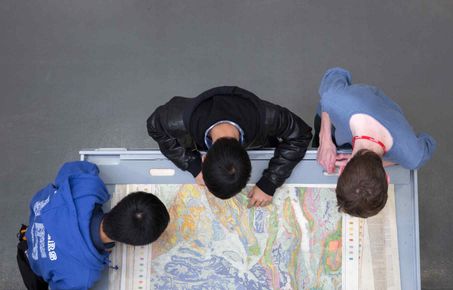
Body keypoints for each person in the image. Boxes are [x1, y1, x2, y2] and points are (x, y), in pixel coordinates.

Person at [147, 86, 312, 207]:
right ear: (203, 158)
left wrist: (270, 181)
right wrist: (191, 163)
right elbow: (155, 127)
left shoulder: (269, 117)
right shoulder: (176, 118)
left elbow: (301, 134)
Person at [17, 161, 170, 290]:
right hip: (31, 261)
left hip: (36, 219)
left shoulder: (88, 187)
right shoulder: (83, 275)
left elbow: (76, 167)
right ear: (132, 244)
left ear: (120, 203)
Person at [314, 67, 436, 218]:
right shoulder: (335, 100)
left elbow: (429, 142)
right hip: (339, 117)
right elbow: (336, 74)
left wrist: (384, 163)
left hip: (367, 116)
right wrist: (324, 137)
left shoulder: (412, 156)